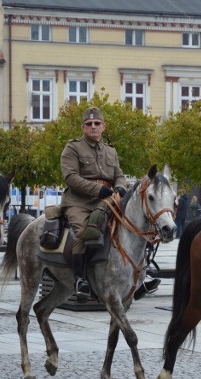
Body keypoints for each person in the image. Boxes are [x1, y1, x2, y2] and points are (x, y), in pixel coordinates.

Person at [60, 107, 127, 299]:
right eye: (89, 124)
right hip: (78, 202)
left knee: (131, 227)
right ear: (83, 127)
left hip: (107, 201)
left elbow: (119, 176)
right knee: (82, 232)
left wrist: (120, 187)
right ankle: (80, 279)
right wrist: (98, 190)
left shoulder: (111, 151)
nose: (93, 127)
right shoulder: (72, 148)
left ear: (103, 127)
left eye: (97, 124)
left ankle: (137, 274)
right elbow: (70, 177)